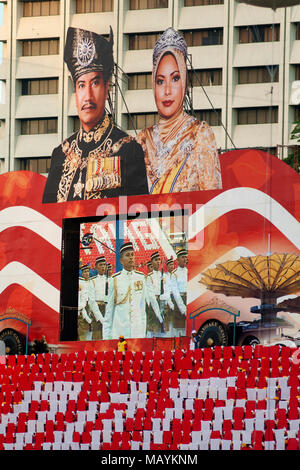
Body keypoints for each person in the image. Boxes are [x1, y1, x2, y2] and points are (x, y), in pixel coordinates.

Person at [42, 26, 148, 203]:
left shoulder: (128, 150)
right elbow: (46, 220)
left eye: (95, 83)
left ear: (107, 88)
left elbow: (137, 216)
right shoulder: (60, 154)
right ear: (75, 91)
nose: (88, 96)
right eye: (81, 85)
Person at [136, 27, 222, 195]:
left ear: (185, 82)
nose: (167, 90)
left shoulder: (200, 134)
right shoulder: (142, 141)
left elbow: (212, 204)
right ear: (153, 85)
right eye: (160, 81)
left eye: (175, 79)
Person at [103, 242, 162, 340]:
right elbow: (109, 312)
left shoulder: (141, 277)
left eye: (132, 255)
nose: (131, 258)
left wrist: (142, 334)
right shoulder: (114, 280)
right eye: (127, 255)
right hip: (120, 331)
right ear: (121, 260)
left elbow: (142, 310)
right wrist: (106, 338)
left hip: (137, 331)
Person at [78, 264, 104, 340]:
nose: (87, 273)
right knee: (83, 329)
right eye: (85, 272)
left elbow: (93, 299)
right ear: (82, 273)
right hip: (82, 306)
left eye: (88, 271)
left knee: (91, 327)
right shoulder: (80, 282)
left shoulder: (92, 282)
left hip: (90, 305)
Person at [92, 256, 111, 339]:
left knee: (108, 335)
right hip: (97, 308)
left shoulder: (110, 280)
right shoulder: (92, 281)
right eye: (100, 265)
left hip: (107, 308)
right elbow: (92, 301)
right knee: (97, 336)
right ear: (96, 267)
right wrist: (101, 318)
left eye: (104, 265)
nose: (103, 267)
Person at [170, 248, 188, 336]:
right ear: (177, 260)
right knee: (179, 331)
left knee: (188, 329)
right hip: (179, 302)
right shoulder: (174, 274)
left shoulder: (189, 272)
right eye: (183, 257)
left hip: (188, 300)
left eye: (186, 257)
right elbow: (176, 293)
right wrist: (183, 309)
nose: (185, 259)